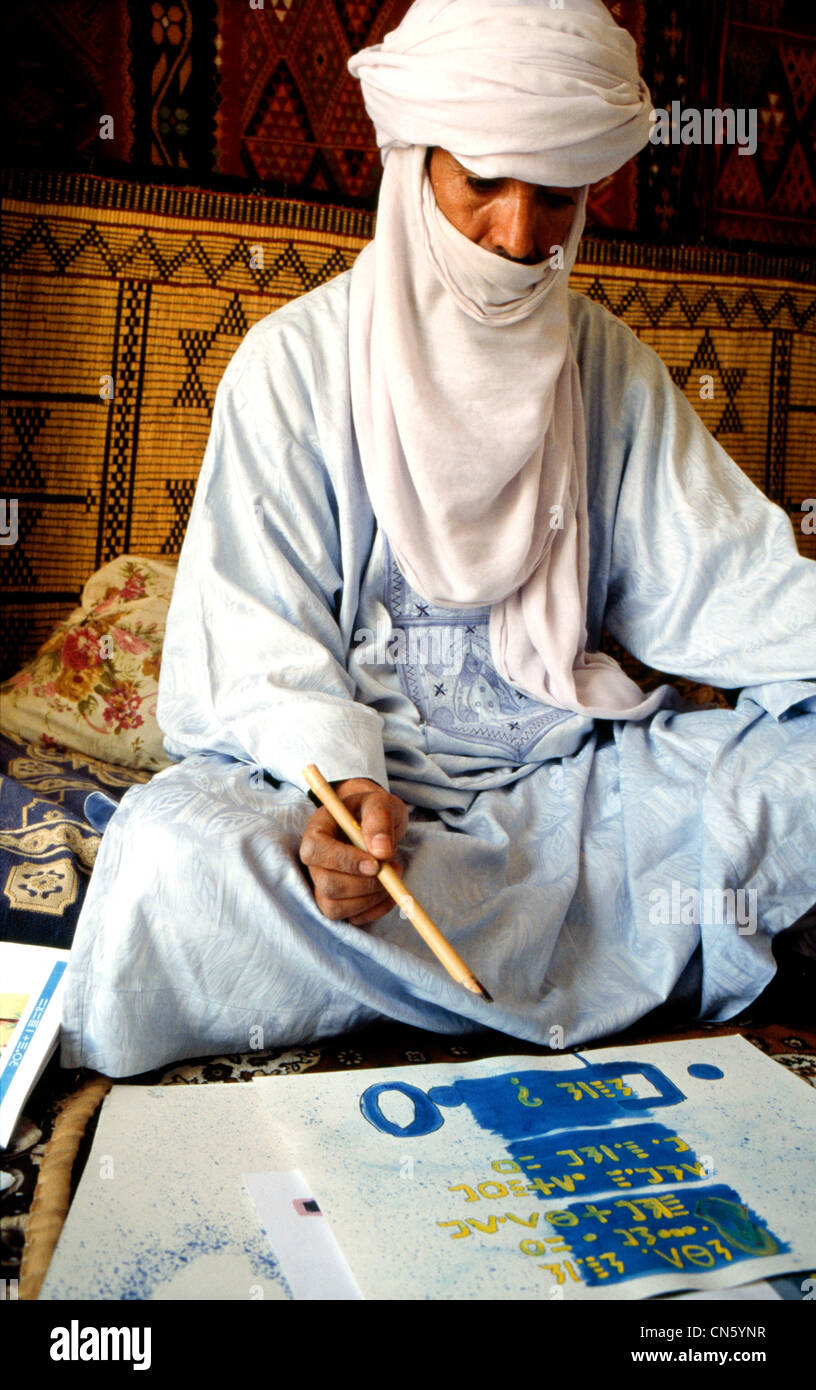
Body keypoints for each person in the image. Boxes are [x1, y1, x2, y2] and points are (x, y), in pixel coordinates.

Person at [60, 0, 816, 1077]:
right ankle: (532, 965)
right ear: (416, 170)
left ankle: (407, 985)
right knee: (179, 864)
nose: (519, 236)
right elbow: (257, 641)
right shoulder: (293, 369)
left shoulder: (609, 372)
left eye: (554, 195)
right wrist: (339, 795)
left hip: (575, 792)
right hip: (371, 812)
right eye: (483, 187)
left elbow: (733, 584)